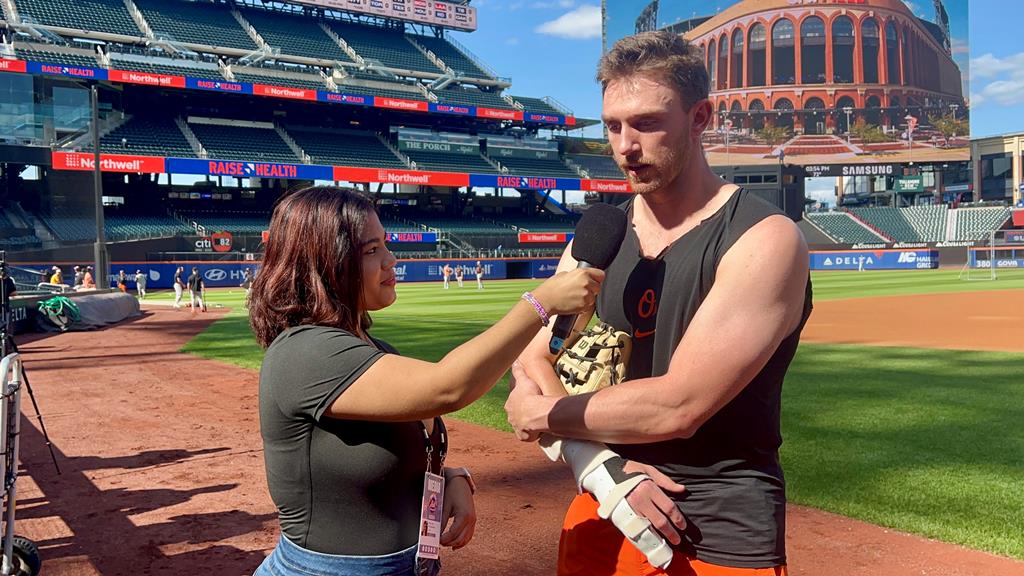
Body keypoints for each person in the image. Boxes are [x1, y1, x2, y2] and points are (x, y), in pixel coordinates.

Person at [505, 31, 812, 576]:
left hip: (715, 527)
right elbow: (532, 358)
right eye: (613, 126)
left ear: (700, 118)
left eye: (647, 123)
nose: (625, 146)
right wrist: (600, 465)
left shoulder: (764, 238)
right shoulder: (598, 233)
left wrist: (541, 413)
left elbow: (680, 406)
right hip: (605, 501)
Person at [247, 186, 602, 576]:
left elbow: (380, 454)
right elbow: (447, 387)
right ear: (327, 263)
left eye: (385, 244)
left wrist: (450, 477)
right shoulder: (305, 351)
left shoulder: (369, 349)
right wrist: (540, 303)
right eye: (371, 251)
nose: (390, 259)